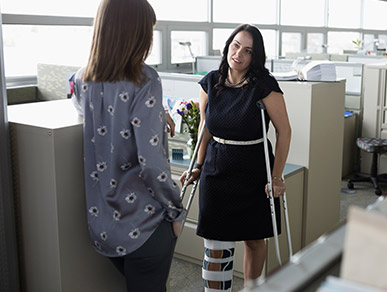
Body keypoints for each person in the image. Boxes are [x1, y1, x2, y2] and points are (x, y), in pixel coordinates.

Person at [71, 0, 185, 291]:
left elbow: (84, 102)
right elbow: (153, 165)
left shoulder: (84, 79)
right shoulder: (145, 80)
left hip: (102, 226)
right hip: (144, 224)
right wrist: (176, 210)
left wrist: (159, 114)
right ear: (135, 33)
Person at [180, 24, 291, 291]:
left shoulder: (264, 85)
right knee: (216, 240)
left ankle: (253, 288)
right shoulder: (210, 82)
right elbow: (205, 128)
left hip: (253, 170)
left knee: (253, 239)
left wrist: (276, 177)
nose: (239, 53)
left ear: (256, 56)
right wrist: (197, 166)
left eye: (248, 50)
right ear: (228, 45)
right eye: (236, 45)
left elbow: (284, 131)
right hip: (216, 169)